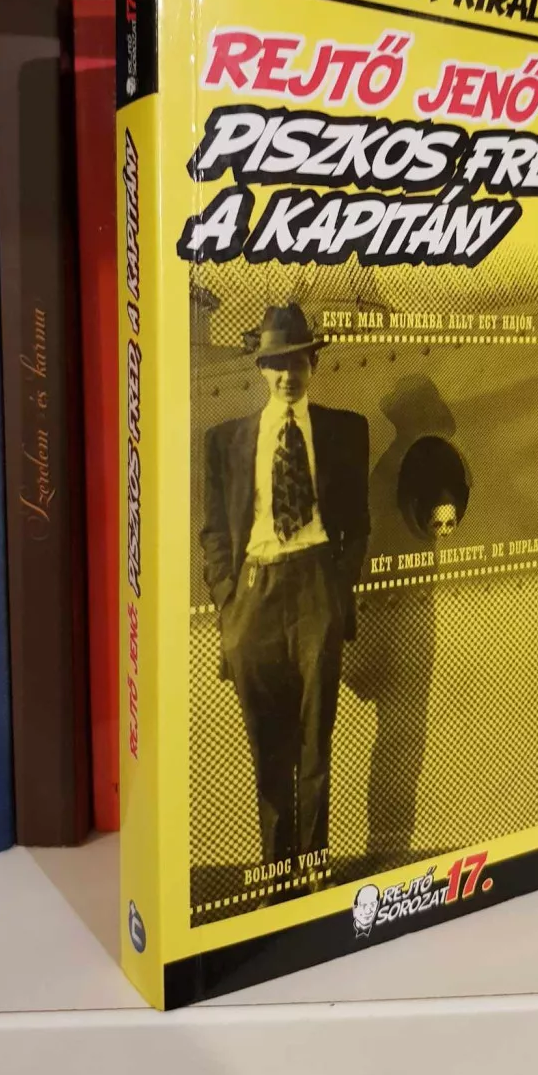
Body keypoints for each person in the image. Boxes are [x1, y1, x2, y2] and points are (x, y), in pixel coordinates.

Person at [200, 303, 370, 874]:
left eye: (297, 362)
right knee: (267, 748)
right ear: (261, 368)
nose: (287, 374)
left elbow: (359, 525)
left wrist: (336, 589)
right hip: (254, 593)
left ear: (311, 364)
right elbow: (214, 533)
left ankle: (314, 867)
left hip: (316, 583)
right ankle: (278, 876)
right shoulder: (225, 441)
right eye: (276, 363)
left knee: (315, 741)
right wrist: (229, 604)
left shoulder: (346, 431)